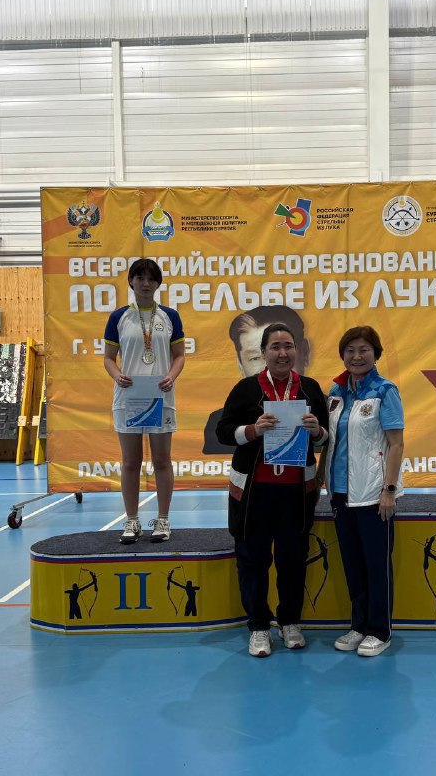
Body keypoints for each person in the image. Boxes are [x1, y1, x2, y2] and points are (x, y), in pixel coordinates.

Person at [215, 322, 328, 657]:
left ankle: (290, 622)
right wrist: (252, 430)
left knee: (293, 559)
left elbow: (326, 437)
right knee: (253, 560)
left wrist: (317, 430)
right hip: (253, 494)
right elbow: (222, 431)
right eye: (275, 347)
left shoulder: (309, 388)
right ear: (264, 353)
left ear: (297, 350)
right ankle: (259, 626)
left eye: (288, 346)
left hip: (295, 492)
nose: (282, 353)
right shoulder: (246, 389)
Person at [322, 326, 405, 657]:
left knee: (376, 565)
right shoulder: (336, 391)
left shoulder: (385, 391)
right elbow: (331, 441)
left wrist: (389, 490)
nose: (357, 356)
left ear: (376, 354)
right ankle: (358, 626)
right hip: (340, 493)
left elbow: (397, 445)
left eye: (364, 350)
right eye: (350, 350)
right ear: (343, 355)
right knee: (353, 564)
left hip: (372, 493)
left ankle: (380, 630)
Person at [104, 258, 185, 544]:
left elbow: (179, 356)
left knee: (162, 460)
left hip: (161, 395)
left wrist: (171, 376)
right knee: (131, 462)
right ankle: (132, 521)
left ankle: (162, 520)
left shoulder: (170, 316)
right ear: (131, 281)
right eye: (140, 278)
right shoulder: (119, 317)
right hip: (128, 397)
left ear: (158, 283)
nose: (146, 283)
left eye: (151, 279)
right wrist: (117, 375)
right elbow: (108, 359)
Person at [203, 305, 311, 454]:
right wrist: (253, 430)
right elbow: (223, 436)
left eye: (284, 347)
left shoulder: (326, 404)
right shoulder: (217, 420)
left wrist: (317, 432)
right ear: (240, 365)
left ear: (304, 352)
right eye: (255, 358)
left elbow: (327, 441)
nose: (270, 361)